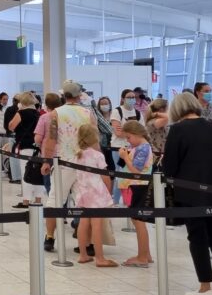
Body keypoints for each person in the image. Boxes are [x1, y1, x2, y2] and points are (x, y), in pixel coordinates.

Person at [162, 92, 212, 295]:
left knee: (197, 236)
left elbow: (170, 165)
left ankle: (205, 288)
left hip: (191, 191)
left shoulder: (177, 130)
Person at [40, 80, 94, 251]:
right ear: (79, 95)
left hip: (63, 162)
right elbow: (94, 140)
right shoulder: (88, 113)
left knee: (55, 200)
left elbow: (51, 139)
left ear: (64, 95)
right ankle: (87, 243)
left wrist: (47, 161)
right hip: (85, 163)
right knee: (85, 202)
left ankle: (50, 237)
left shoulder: (56, 113)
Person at [73, 123, 117, 267]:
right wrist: (109, 191)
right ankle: (100, 258)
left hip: (83, 193)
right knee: (97, 225)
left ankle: (83, 254)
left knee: (83, 223)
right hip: (97, 194)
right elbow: (105, 177)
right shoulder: (98, 155)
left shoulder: (78, 154)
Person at [119, 120, 154, 267]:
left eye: (128, 138)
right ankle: (146, 253)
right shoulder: (140, 147)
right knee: (137, 220)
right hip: (134, 187)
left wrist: (125, 157)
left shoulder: (143, 148)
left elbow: (136, 171)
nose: (128, 141)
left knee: (138, 222)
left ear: (136, 134)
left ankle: (142, 257)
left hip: (138, 187)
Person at [10, 92, 43, 209]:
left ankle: (26, 201)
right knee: (38, 173)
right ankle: (38, 199)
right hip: (38, 147)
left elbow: (11, 126)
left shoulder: (21, 113)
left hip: (25, 146)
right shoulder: (38, 114)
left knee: (26, 173)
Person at [3, 94, 21, 182]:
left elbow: (5, 124)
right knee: (17, 157)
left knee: (13, 157)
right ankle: (18, 177)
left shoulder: (9, 109)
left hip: (11, 135)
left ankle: (15, 177)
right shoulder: (20, 110)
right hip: (19, 136)